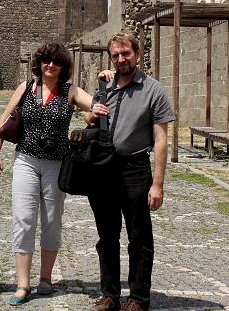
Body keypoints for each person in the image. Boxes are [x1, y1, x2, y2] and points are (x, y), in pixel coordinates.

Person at [0, 42, 95, 306]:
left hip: (56, 164)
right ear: (39, 62)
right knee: (23, 219)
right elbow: (4, 122)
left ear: (64, 66)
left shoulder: (69, 92)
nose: (51, 65)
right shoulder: (26, 88)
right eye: (47, 60)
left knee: (51, 221)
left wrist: (103, 89)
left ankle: (45, 278)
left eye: (57, 62)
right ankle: (23, 283)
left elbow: (97, 105)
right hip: (26, 160)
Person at [85, 33, 174, 311]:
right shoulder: (106, 87)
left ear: (137, 54)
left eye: (126, 53)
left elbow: (161, 140)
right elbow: (89, 121)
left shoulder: (154, 90)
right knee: (107, 235)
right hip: (104, 169)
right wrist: (92, 113)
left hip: (135, 169)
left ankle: (138, 298)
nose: (121, 59)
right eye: (116, 55)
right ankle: (109, 294)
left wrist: (157, 184)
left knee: (139, 237)